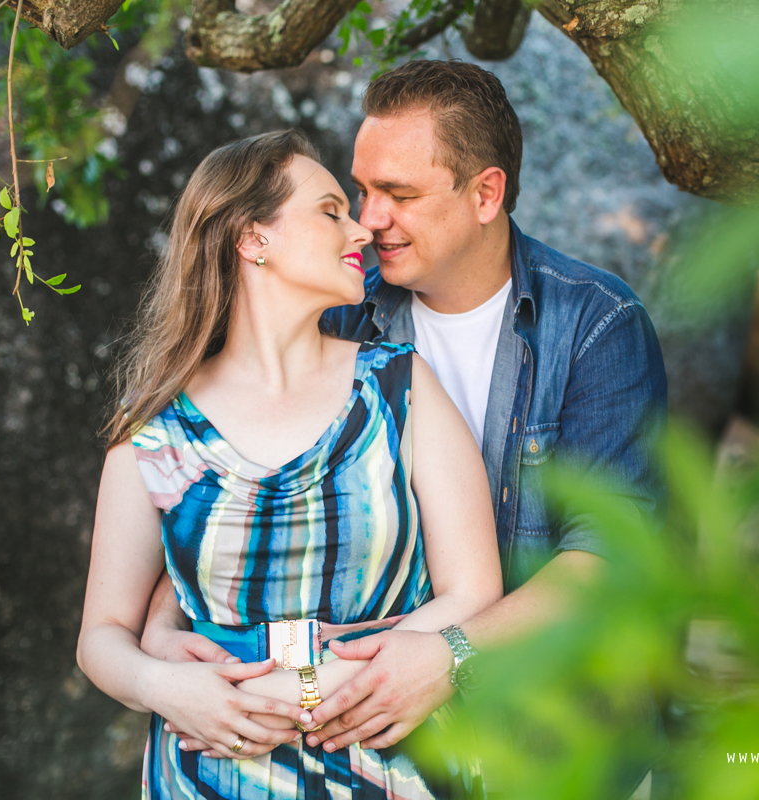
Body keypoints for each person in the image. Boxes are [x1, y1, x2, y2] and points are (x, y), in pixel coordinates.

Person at [145, 61, 668, 798]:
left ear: (485, 194)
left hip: (556, 738)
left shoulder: (595, 324)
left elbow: (610, 557)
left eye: (400, 194)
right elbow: (228, 486)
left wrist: (450, 654)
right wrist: (165, 631)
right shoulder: (337, 310)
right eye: (361, 191)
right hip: (371, 747)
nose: (369, 220)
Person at [76, 128, 503, 799]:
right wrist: (163, 686)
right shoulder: (156, 426)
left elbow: (474, 592)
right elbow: (102, 636)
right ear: (253, 239)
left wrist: (305, 688)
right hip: (214, 771)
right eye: (331, 211)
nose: (362, 230)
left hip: (392, 761)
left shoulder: (400, 387)